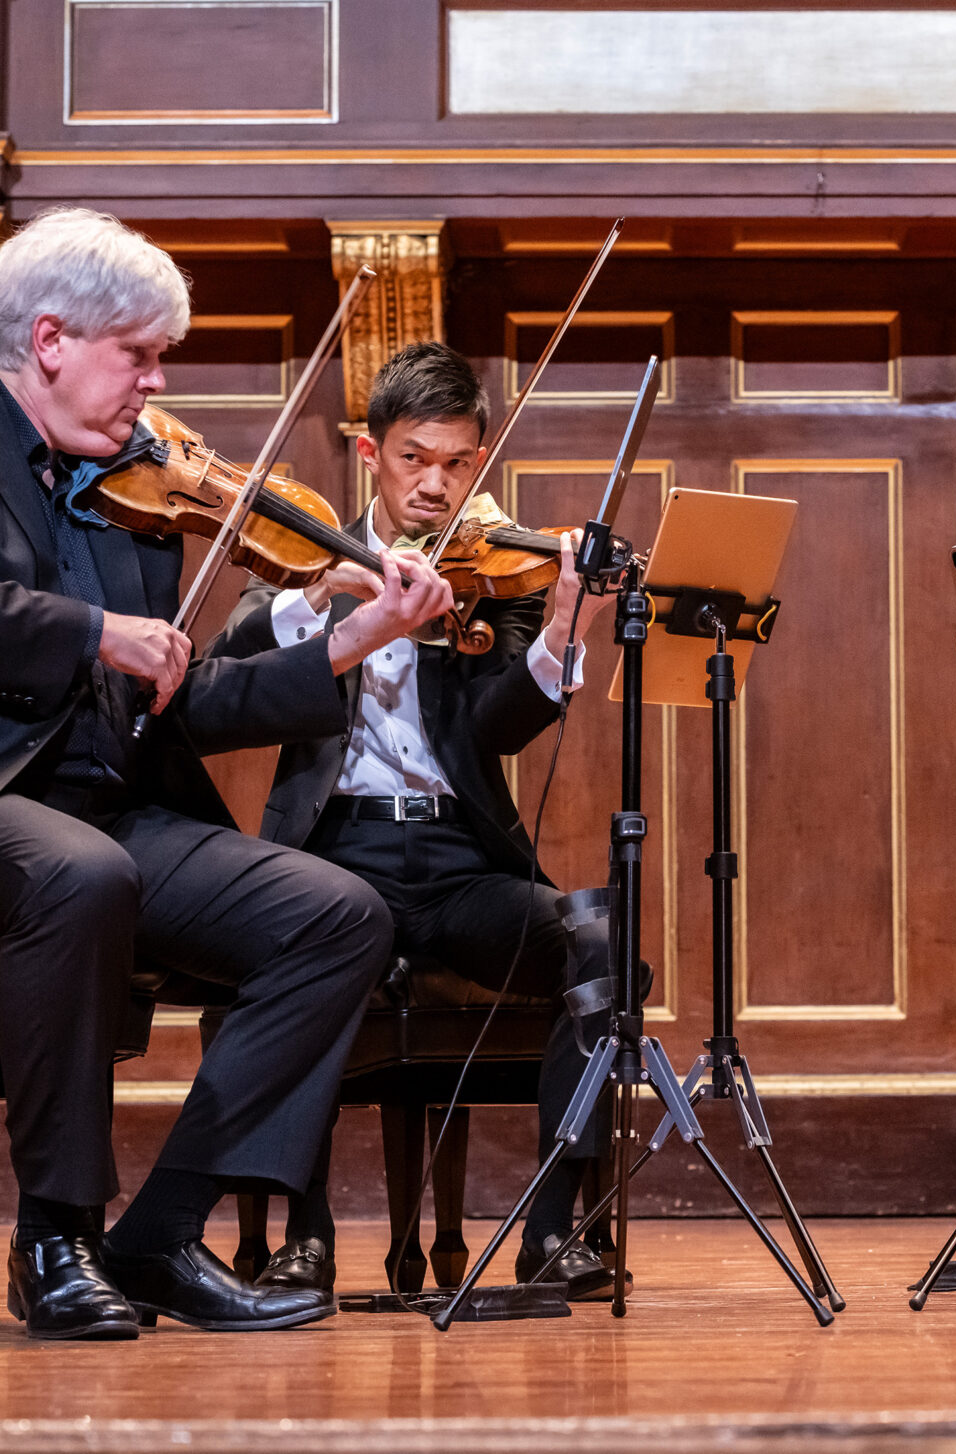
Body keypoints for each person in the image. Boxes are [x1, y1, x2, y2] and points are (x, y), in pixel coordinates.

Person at [0, 207, 455, 1339]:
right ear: (53, 339)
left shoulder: (133, 485)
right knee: (76, 874)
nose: (156, 386)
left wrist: (344, 647)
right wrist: (89, 631)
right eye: (141, 354)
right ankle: (54, 1238)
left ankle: (156, 1234)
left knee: (333, 914)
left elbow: (178, 696)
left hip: (90, 802)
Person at [210, 341, 625, 1299]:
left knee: (602, 945)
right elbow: (232, 666)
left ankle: (554, 1230)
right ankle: (305, 1238)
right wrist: (327, 602)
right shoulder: (308, 547)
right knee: (296, 955)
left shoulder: (492, 569)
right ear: (370, 452)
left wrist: (562, 629)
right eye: (414, 459)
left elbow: (498, 731)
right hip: (333, 849)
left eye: (457, 463)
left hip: (457, 857)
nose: (435, 485)